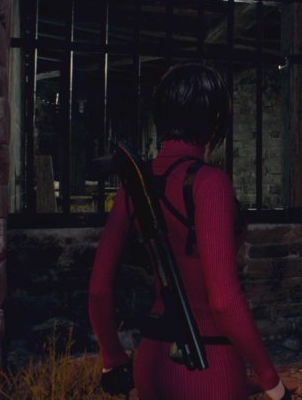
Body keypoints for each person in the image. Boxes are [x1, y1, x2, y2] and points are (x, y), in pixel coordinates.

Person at [88, 63, 287, 399]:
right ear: (214, 119)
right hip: (208, 362)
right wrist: (272, 382)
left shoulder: (134, 184)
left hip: (151, 358)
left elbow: (97, 291)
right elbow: (223, 302)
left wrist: (112, 358)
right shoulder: (210, 184)